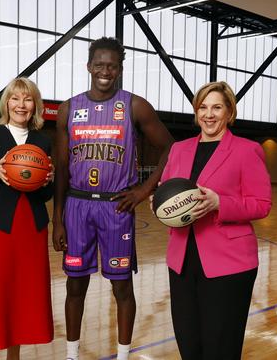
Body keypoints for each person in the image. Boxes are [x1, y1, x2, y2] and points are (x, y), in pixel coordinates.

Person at [52, 37, 174, 360]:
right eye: (100, 64)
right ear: (89, 66)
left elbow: (171, 147)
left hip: (116, 207)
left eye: (112, 65)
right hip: (77, 207)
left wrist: (145, 189)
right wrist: (57, 219)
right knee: (75, 285)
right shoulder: (69, 108)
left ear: (119, 69)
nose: (105, 70)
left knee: (121, 287)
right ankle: (71, 355)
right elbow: (62, 169)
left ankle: (122, 355)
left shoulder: (134, 106)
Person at [157, 81, 272, 360]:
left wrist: (220, 203)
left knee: (221, 346)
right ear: (196, 112)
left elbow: (262, 204)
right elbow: (167, 191)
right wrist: (158, 204)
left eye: (217, 107)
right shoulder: (179, 149)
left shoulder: (247, 150)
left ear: (229, 112)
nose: (209, 114)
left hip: (229, 264)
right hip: (182, 259)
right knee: (189, 342)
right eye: (203, 107)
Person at [0, 77, 54, 360]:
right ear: (6, 103)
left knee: (22, 296)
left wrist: (47, 182)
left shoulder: (43, 141)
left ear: (35, 106)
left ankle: (14, 357)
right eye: (15, 98)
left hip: (32, 227)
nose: (21, 105)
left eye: (28, 99)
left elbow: (47, 196)